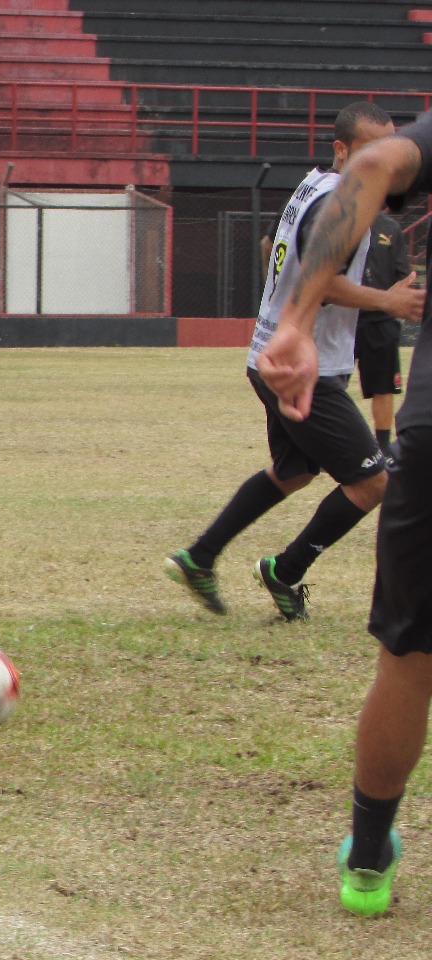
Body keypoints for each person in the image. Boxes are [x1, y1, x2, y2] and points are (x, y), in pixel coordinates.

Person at [257, 108, 432, 918]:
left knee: (411, 656)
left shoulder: (356, 168)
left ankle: (367, 859)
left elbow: (370, 173)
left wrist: (291, 320)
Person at [165, 102, 423, 621]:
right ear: (342, 150)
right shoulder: (342, 204)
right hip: (305, 368)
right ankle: (286, 569)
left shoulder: (310, 185)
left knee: (294, 471)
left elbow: (277, 251)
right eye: (372, 150)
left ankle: (201, 556)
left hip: (270, 354)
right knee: (374, 482)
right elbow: (321, 281)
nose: (385, 163)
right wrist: (388, 301)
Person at [354, 210, 412, 464]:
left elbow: (404, 276)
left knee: (384, 387)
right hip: (344, 318)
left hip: (381, 321)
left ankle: (383, 448)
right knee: (328, 383)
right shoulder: (343, 223)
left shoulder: (390, 229)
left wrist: (388, 302)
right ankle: (324, 444)